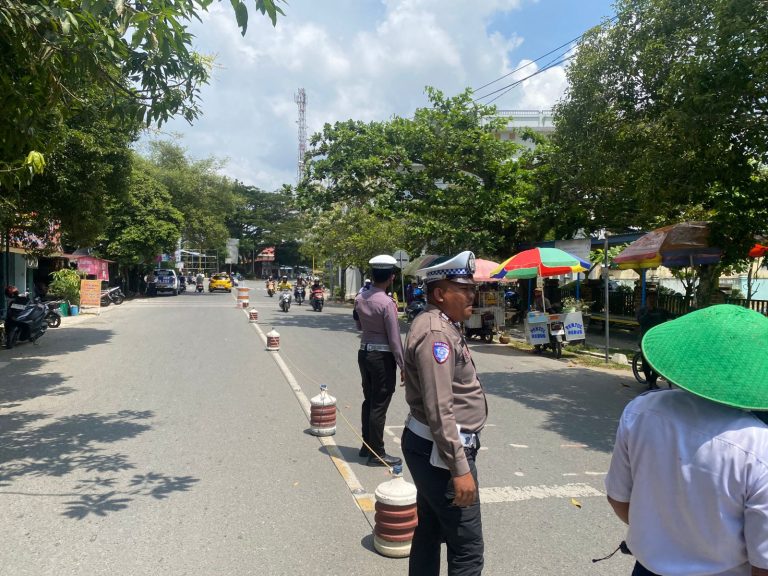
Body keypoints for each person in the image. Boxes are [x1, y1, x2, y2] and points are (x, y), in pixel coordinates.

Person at [605, 304, 768, 576]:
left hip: (646, 568)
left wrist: (665, 539)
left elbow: (619, 500)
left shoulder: (641, 411)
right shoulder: (758, 447)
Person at [401, 251, 487, 576]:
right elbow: (440, 409)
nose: (471, 295)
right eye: (463, 288)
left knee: (430, 531)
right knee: (466, 548)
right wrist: (459, 468)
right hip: (441, 453)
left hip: (430, 448)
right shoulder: (437, 333)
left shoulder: (440, 324)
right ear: (440, 293)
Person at [353, 254, 404, 467]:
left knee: (369, 400)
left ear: (372, 275)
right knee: (379, 404)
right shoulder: (387, 303)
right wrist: (403, 365)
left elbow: (358, 327)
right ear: (391, 277)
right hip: (382, 358)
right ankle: (377, 452)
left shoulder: (360, 298)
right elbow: (394, 338)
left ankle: (367, 445)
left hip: (364, 353)